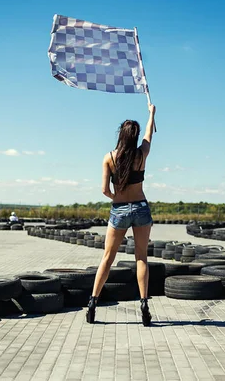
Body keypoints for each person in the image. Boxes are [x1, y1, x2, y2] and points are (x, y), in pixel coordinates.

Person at [86, 102, 156, 326]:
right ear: (134, 137)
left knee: (108, 258)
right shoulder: (142, 154)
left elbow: (105, 190)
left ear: (120, 135)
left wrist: (116, 197)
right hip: (141, 207)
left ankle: (93, 303)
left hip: (119, 210)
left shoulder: (109, 158)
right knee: (141, 257)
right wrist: (151, 114)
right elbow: (148, 134)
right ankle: (144, 304)